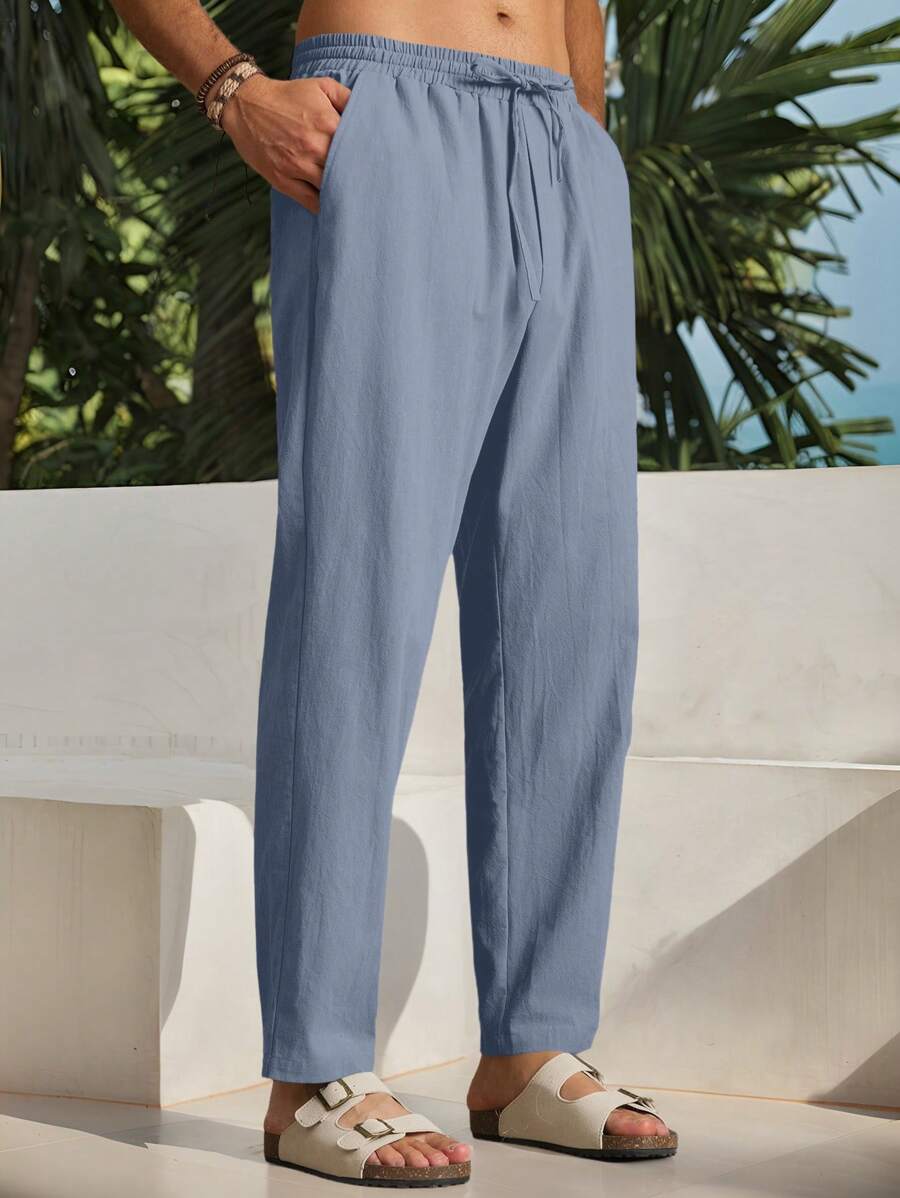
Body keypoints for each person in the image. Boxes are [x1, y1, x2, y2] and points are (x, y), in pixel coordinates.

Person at [111, 0, 676, 1186]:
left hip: (562, 142)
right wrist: (232, 90)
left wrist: (583, 144)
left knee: (571, 619)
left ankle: (529, 1048)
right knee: (354, 605)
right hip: (388, 114)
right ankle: (314, 1067)